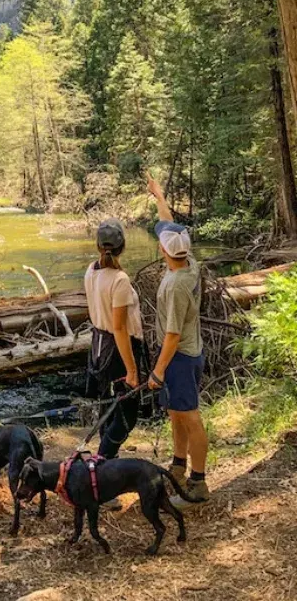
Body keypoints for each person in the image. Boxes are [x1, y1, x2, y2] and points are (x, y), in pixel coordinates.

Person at [146, 174, 209, 504]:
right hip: (186, 353)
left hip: (180, 357)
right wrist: (159, 197)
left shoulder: (175, 286)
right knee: (176, 412)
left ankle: (198, 484)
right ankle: (178, 465)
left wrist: (158, 372)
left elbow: (171, 336)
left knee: (190, 416)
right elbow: (169, 226)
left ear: (162, 250)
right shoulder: (189, 262)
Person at [84, 218, 146, 463]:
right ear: (123, 246)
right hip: (118, 350)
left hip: (98, 346)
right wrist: (132, 370)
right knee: (127, 414)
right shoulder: (119, 280)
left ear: (98, 246)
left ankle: (107, 463)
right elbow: (119, 328)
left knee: (107, 406)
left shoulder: (91, 271)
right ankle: (103, 460)